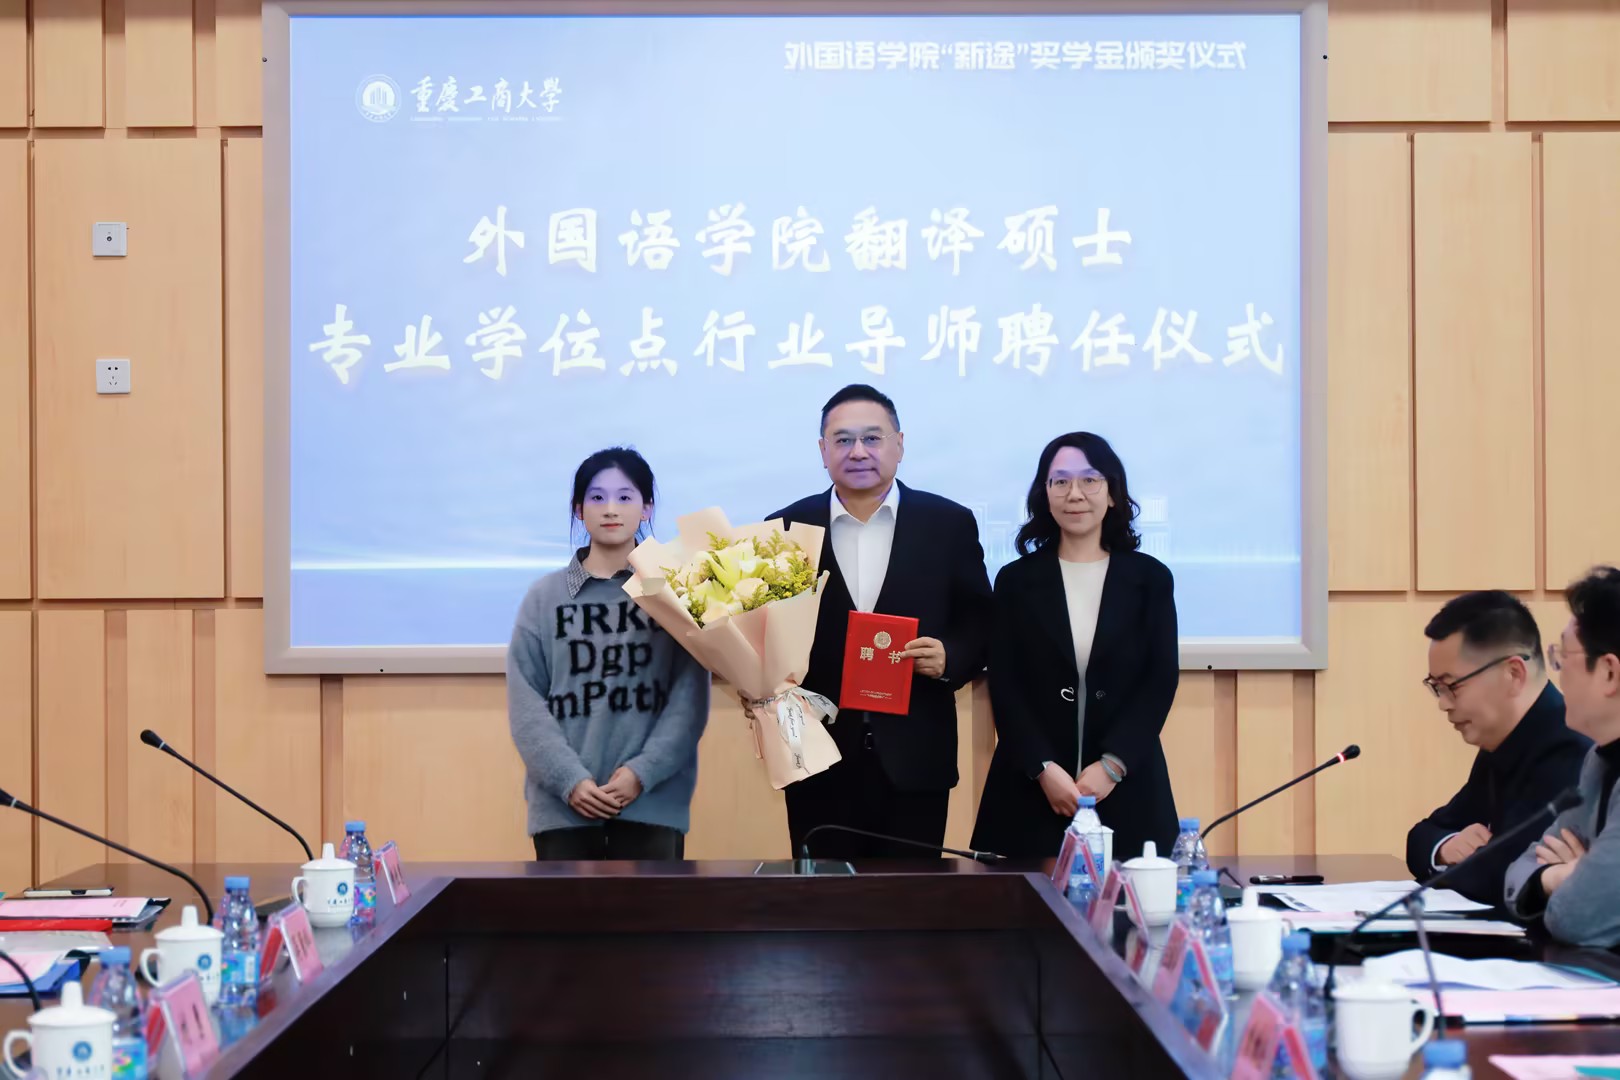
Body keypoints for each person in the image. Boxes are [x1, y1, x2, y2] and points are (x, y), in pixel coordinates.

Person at [768, 384, 992, 860]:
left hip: (915, 757)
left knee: (912, 899)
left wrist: (951, 657)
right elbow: (764, 636)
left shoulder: (947, 524)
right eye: (843, 440)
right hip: (818, 756)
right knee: (824, 897)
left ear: (899, 444)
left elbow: (980, 622)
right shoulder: (785, 529)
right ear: (823, 450)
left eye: (872, 438)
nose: (858, 452)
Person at [969, 432, 1179, 863]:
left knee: (1130, 902)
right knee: (1021, 903)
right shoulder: (1015, 581)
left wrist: (1113, 765)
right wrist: (1042, 768)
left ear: (1113, 493)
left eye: (1090, 480)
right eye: (1060, 481)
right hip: (1032, 787)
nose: (1075, 494)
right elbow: (1005, 684)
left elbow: (1160, 681)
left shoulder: (1150, 579)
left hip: (1127, 786)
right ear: (1044, 494)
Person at [506, 448, 710, 860]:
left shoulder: (675, 593)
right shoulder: (543, 597)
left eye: (625, 496)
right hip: (563, 810)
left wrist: (641, 773)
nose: (611, 509)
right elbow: (526, 705)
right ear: (578, 509)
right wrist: (569, 780)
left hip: (652, 804)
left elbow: (688, 701)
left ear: (646, 507)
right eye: (596, 497)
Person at [1406, 591, 1589, 905]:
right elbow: (1423, 835)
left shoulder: (1572, 746)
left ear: (1513, 673)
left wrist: (1479, 866)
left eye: (1452, 686)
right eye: (1436, 687)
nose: (1443, 703)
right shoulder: (1502, 741)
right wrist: (1447, 848)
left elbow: (1506, 877)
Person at [1505, 566, 1620, 948]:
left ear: (1608, 672)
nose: (1557, 674)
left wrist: (1576, 880)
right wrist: (1555, 876)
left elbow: (1579, 917)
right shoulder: (1600, 759)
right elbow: (1519, 872)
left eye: (1562, 656)